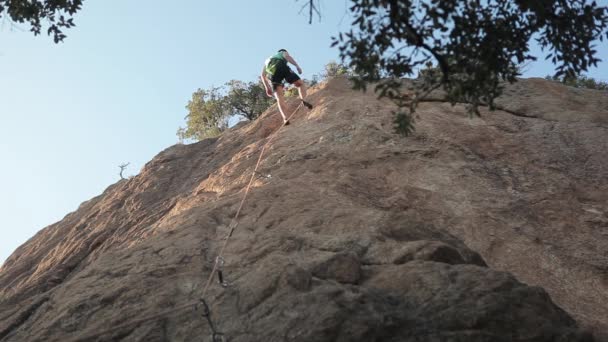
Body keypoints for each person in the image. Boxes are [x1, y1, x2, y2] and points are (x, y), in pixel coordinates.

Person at [261, 49, 313, 125]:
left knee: (279, 98)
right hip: (281, 66)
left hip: (273, 75)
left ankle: (285, 118)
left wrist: (267, 87)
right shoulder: (282, 53)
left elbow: (263, 75)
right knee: (300, 84)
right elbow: (288, 57)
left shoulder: (267, 61)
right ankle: (304, 101)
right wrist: (297, 66)